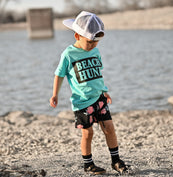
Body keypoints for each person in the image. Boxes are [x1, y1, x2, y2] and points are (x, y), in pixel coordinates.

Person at [49, 11, 127, 175]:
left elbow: (97, 74)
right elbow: (59, 74)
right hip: (82, 102)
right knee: (88, 133)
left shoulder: (95, 52)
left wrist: (105, 91)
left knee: (109, 128)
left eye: (96, 42)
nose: (93, 45)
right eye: (90, 42)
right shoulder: (68, 54)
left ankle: (116, 160)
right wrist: (55, 94)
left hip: (99, 98)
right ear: (77, 36)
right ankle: (88, 164)